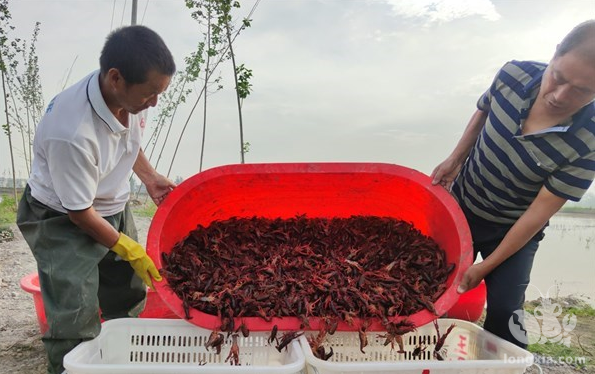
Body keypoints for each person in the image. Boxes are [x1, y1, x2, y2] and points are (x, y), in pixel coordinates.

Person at [16, 25, 176, 373]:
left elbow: (124, 139)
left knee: (128, 292)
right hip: (61, 216)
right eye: (150, 94)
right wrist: (129, 247)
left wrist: (149, 177)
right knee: (74, 311)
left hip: (111, 205)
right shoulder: (71, 131)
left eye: (160, 92)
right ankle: (70, 365)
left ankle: (123, 359)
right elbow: (79, 215)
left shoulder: (129, 95)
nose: (155, 102)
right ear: (116, 78)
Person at [432, 20, 595, 348]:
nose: (560, 96)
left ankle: (501, 365)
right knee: (430, 287)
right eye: (558, 77)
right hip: (462, 207)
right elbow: (484, 110)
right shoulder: (513, 75)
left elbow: (539, 212)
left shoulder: (589, 139)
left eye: (583, 90)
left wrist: (486, 267)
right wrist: (454, 159)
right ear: (554, 55)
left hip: (514, 228)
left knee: (506, 310)